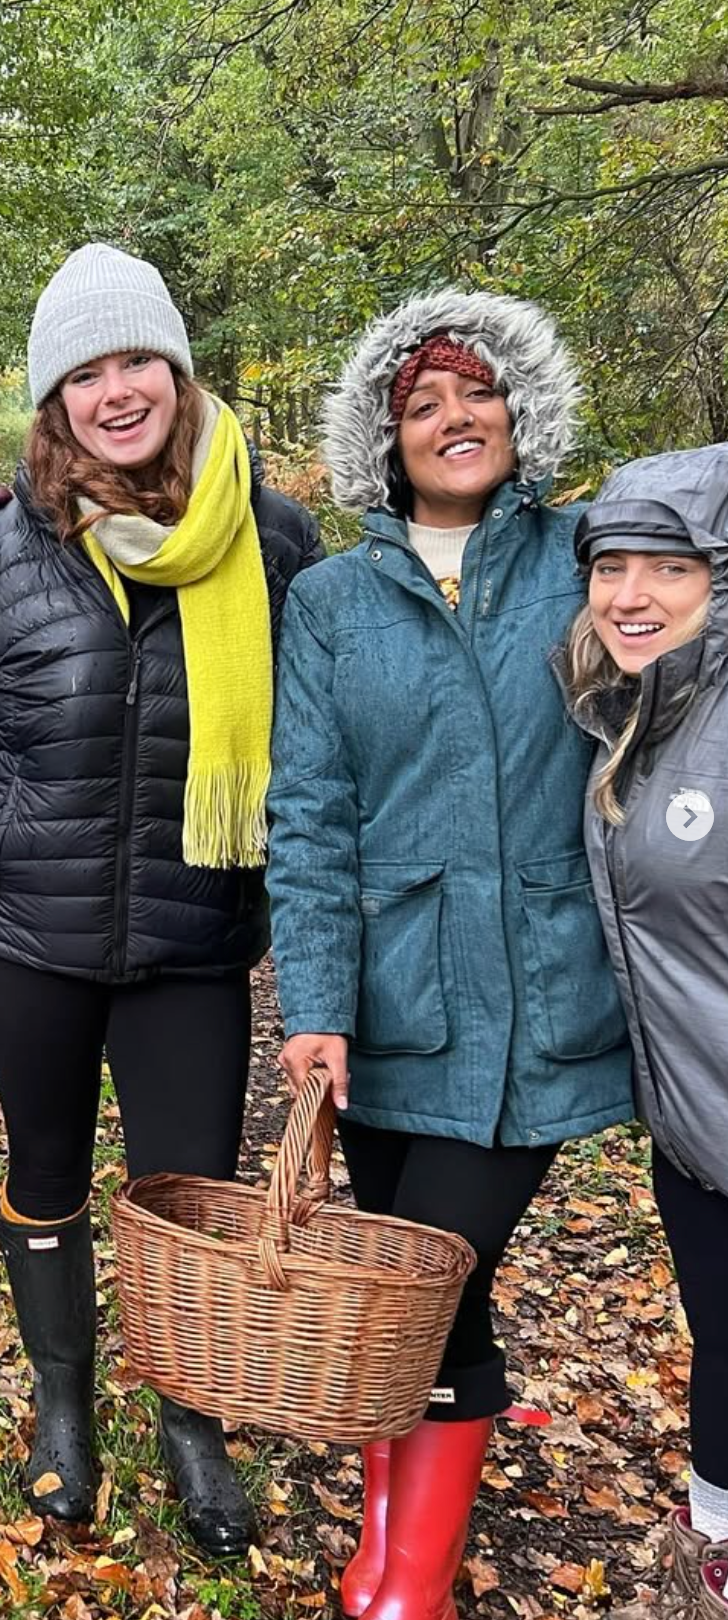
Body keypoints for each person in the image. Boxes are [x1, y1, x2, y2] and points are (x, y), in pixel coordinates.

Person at [0, 243, 321, 1554]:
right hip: (28, 938)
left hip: (194, 939)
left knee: (191, 1195)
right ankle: (65, 1406)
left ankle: (190, 1417)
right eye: (86, 370)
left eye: (137, 360)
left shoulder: (275, 540)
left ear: (177, 373)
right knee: (48, 1173)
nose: (115, 390)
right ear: (52, 399)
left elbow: (332, 756)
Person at [266, 291, 633, 1618]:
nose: (453, 417)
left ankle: (408, 1583)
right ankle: (387, 1544)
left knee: (433, 1281)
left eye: (476, 392)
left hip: (539, 997)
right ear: (385, 436)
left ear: (520, 409)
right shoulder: (332, 598)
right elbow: (307, 815)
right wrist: (315, 1003)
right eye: (422, 402)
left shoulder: (592, 554)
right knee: (410, 1298)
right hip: (391, 1000)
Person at [561, 446, 728, 1617]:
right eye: (609, 564)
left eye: (667, 566)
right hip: (692, 1134)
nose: (629, 592)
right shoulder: (633, 711)